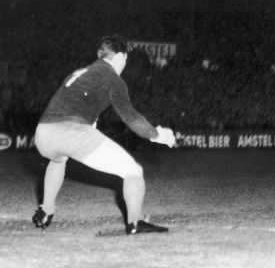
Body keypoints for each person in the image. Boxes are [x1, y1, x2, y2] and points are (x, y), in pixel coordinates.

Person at [32, 35, 176, 235]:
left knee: (58, 161)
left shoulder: (80, 72)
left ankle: (45, 211)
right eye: (125, 60)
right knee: (132, 170)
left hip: (43, 134)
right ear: (119, 56)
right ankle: (135, 222)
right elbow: (131, 117)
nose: (124, 65)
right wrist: (158, 135)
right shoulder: (112, 78)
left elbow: (69, 104)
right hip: (71, 132)